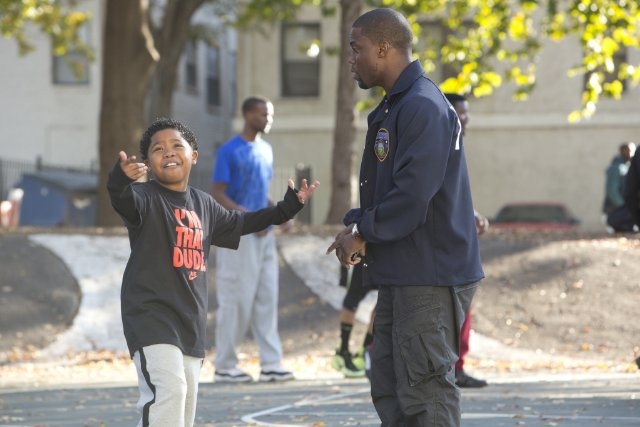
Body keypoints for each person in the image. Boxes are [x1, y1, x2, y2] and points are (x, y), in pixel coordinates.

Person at [326, 8, 484, 427]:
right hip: (402, 271)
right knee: (390, 389)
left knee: (425, 394)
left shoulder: (423, 105)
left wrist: (362, 231)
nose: (351, 58)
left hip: (429, 275)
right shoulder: (395, 106)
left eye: (356, 48)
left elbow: (412, 198)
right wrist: (355, 224)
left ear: (383, 48)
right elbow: (387, 190)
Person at [107, 117, 318, 427]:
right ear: (148, 164)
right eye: (158, 149)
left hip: (190, 320)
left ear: (193, 156)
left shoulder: (203, 204)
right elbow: (121, 198)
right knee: (170, 392)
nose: (168, 152)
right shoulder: (144, 199)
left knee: (183, 406)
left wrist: (285, 210)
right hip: (151, 316)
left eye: (176, 145)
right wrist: (119, 179)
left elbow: (242, 223)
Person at [211, 96, 294, 383]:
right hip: (238, 235)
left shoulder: (266, 150)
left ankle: (271, 363)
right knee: (236, 299)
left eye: (269, 114)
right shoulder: (229, 151)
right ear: (247, 115)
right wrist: (249, 219)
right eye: (262, 114)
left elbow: (261, 192)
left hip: (265, 235)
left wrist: (280, 214)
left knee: (267, 298)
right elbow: (218, 193)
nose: (267, 119)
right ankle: (225, 366)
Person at [445, 92, 489, 388]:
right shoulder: (437, 145)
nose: (465, 120)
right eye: (460, 114)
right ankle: (448, 369)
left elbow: (457, 194)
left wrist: (473, 215)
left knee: (464, 308)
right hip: (443, 246)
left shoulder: (457, 145)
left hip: (462, 245)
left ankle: (457, 367)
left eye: (467, 115)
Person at [331, 263, 376, 378]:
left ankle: (364, 352)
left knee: (385, 298)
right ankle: (342, 352)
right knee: (353, 297)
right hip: (365, 256)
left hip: (388, 256)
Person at [603, 142, 636, 232]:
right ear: (624, 151)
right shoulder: (616, 168)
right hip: (616, 211)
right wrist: (624, 206)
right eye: (631, 151)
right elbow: (611, 190)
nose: (633, 154)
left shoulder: (626, 167)